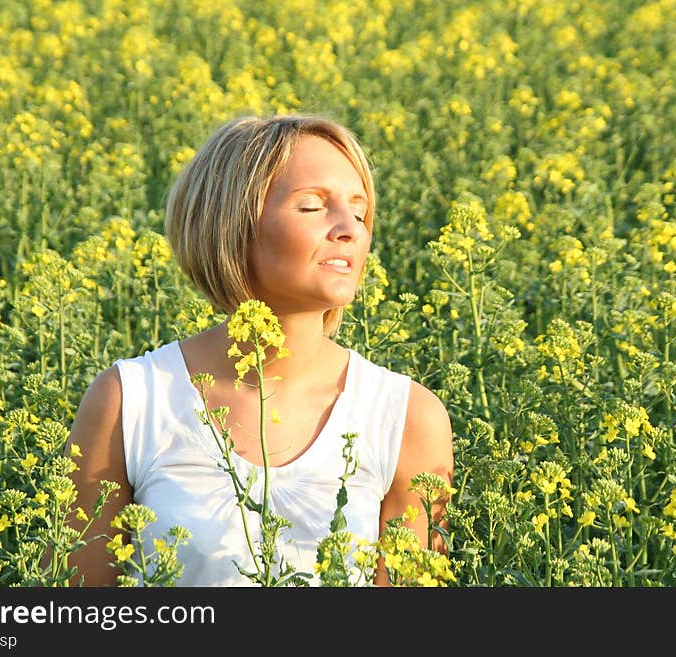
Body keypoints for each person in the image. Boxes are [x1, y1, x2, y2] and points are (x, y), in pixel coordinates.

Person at [64, 114, 454, 586]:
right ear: (232, 225)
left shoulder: (407, 416)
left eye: (359, 209)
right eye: (312, 207)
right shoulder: (131, 401)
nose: (349, 228)